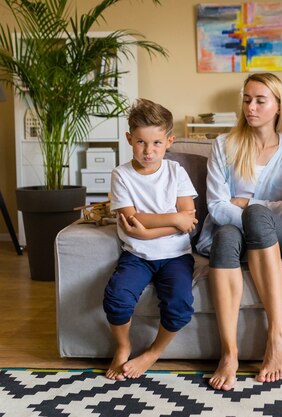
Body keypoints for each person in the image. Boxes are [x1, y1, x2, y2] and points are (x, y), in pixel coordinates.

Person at [195, 73, 282, 391]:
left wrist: (248, 202)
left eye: (260, 100)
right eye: (247, 99)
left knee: (257, 214)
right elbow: (217, 207)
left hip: (281, 238)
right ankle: (229, 353)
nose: (251, 107)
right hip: (229, 234)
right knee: (227, 235)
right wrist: (273, 203)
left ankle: (277, 333)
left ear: (278, 106)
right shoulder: (223, 145)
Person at [103, 98, 198, 380]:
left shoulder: (175, 172)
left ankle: (153, 352)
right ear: (129, 139)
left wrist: (146, 231)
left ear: (169, 141)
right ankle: (123, 346)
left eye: (156, 143)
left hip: (176, 256)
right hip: (137, 256)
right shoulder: (121, 175)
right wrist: (171, 219)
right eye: (141, 142)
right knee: (116, 297)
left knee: (180, 304)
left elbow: (189, 219)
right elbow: (134, 218)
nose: (148, 151)